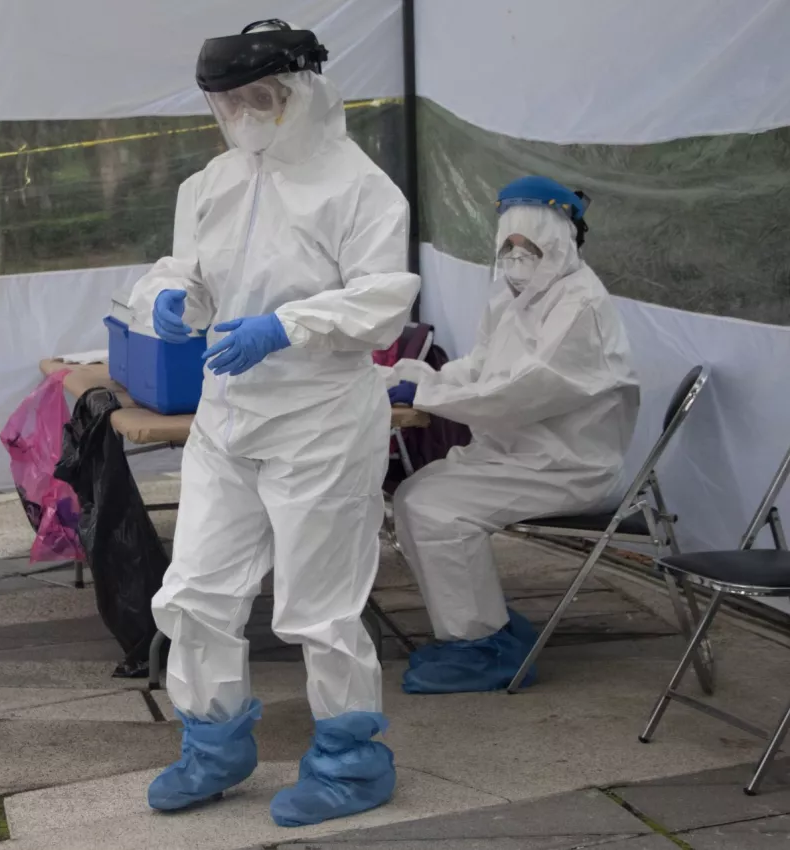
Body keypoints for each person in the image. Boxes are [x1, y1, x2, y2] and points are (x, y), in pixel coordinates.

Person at [128, 20, 419, 827]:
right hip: (227, 417)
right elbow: (183, 268)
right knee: (195, 591)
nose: (246, 113)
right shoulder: (211, 183)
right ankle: (213, 741)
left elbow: (383, 297)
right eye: (230, 101)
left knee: (318, 605)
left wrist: (288, 325)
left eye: (263, 96)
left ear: (308, 90)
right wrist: (167, 297)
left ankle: (352, 761)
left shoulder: (359, 188)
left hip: (319, 419)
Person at [386, 176, 640, 695]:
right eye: (509, 244)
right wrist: (416, 376)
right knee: (414, 496)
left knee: (435, 509)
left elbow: (521, 393)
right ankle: (478, 627)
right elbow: (482, 366)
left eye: (529, 245)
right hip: (520, 452)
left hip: (568, 463)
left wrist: (425, 394)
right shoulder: (514, 292)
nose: (516, 255)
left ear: (563, 241)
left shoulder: (578, 306)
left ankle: (481, 648)